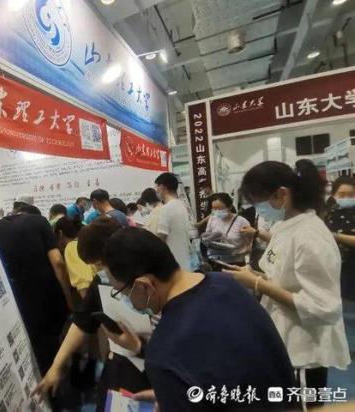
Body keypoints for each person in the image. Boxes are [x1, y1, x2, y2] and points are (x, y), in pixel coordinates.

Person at [102, 228, 296, 411]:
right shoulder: (226, 283)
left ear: (144, 285)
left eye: (121, 291)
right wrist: (178, 394)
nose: (124, 299)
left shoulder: (163, 351)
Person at [229, 160, 350, 399]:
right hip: (286, 341)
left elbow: (321, 306)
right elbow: (284, 278)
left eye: (258, 202)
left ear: (281, 194)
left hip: (305, 348)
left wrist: (257, 284)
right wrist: (255, 276)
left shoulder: (310, 235)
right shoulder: (285, 227)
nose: (258, 209)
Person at [33, 218, 152, 411]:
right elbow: (82, 321)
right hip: (122, 364)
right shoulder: (102, 281)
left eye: (101, 264)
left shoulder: (153, 278)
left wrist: (140, 347)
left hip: (156, 367)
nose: (102, 271)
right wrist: (56, 366)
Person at [0, 204, 72, 375]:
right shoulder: (39, 221)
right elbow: (57, 261)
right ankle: (56, 380)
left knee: (29, 342)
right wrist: (68, 297)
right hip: (46, 295)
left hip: (15, 297)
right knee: (50, 342)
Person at [201, 192, 252, 269]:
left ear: (230, 207)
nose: (216, 211)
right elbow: (207, 238)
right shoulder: (212, 219)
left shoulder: (242, 222)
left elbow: (249, 245)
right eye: (214, 208)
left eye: (220, 208)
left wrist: (238, 252)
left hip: (235, 264)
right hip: (215, 262)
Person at [325, 175, 355, 301]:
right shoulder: (329, 212)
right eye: (341, 195)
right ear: (333, 195)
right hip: (335, 269)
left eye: (351, 195)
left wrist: (337, 236)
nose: (346, 198)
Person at [154, 173, 192, 269]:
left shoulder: (166, 208)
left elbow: (161, 237)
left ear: (162, 187)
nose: (156, 190)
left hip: (172, 261)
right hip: (184, 259)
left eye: (156, 187)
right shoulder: (182, 205)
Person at [54, 216, 95, 298]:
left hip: (93, 296)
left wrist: (88, 303)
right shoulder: (84, 242)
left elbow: (84, 282)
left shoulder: (72, 247)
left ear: (60, 233)